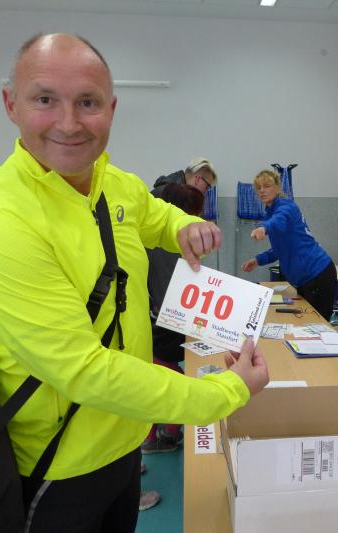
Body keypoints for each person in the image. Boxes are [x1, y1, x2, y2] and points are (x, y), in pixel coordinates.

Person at [0, 33, 269, 533]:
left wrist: (183, 226)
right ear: (11, 105)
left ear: (111, 109)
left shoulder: (114, 183)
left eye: (88, 102)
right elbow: (82, 369)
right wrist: (224, 393)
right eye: (44, 99)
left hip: (126, 439)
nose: (69, 122)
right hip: (56, 464)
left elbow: (155, 215)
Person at [142, 181, 206, 455]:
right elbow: (170, 291)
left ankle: (160, 434)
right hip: (164, 324)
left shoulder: (155, 240)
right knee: (171, 378)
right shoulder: (168, 245)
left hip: (158, 320)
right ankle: (163, 435)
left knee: (160, 376)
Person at [241, 169, 337, 321]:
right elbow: (279, 250)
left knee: (318, 325)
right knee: (304, 322)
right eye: (258, 187)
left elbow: (278, 220)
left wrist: (263, 228)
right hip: (304, 280)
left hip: (318, 273)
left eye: (267, 186)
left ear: (278, 188)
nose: (262, 190)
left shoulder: (287, 207)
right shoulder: (270, 213)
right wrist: (258, 260)